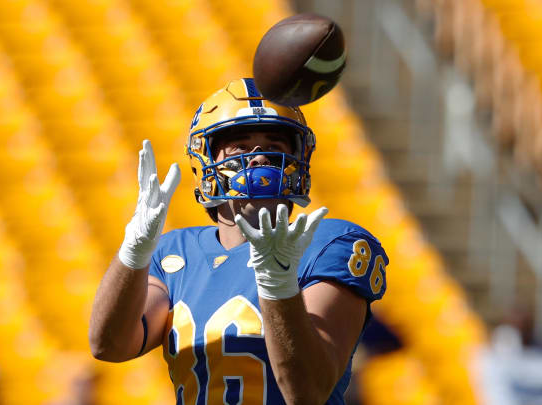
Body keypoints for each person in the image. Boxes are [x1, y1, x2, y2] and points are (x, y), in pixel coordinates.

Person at [89, 78, 388, 405]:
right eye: (241, 147)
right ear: (206, 162)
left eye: (274, 147)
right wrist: (133, 251)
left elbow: (308, 391)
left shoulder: (329, 243)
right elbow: (110, 345)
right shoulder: (175, 253)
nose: (258, 159)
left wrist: (278, 283)